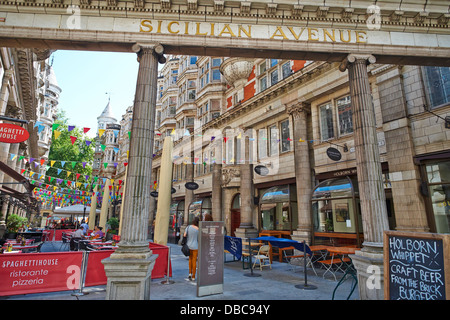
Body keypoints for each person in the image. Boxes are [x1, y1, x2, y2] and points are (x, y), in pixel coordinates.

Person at [184, 216, 199, 281]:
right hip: (195, 246)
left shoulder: (188, 227)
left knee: (190, 259)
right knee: (194, 261)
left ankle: (190, 273)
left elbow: (184, 235)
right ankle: (193, 276)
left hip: (189, 246)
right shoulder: (198, 229)